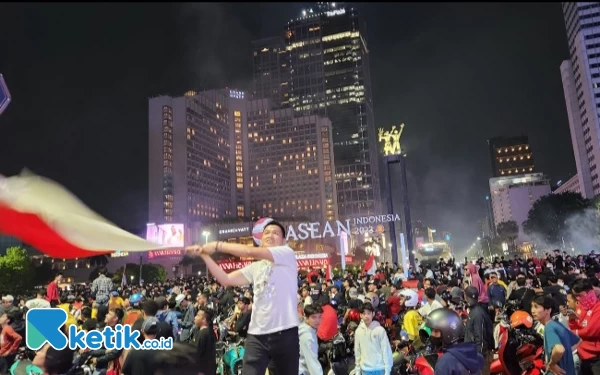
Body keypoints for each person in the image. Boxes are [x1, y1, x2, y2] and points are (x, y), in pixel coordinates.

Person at [186, 219, 299, 375]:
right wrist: (204, 255)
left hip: (285, 333)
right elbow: (226, 279)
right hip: (256, 336)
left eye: (275, 233)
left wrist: (217, 245)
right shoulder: (256, 267)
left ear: (283, 240)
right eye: (266, 232)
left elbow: (249, 252)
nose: (270, 235)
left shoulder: (287, 254)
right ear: (261, 239)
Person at [425, 308, 484, 375]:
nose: (432, 334)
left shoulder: (445, 363)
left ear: (448, 332)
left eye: (435, 331)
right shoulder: (475, 355)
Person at [531, 295, 581, 375]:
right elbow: (578, 341)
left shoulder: (549, 328)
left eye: (536, 307)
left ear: (548, 310)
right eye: (532, 307)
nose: (533, 311)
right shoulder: (557, 324)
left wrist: (552, 364)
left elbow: (559, 349)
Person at [354, 302, 393, 375]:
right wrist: (357, 371)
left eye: (369, 313)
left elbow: (386, 351)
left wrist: (387, 371)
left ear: (373, 314)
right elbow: (357, 352)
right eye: (364, 314)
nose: (366, 316)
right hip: (365, 370)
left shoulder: (380, 330)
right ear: (361, 315)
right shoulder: (358, 331)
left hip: (380, 369)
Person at [464, 286, 495, 375]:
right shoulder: (475, 311)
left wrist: (478, 358)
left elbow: (480, 338)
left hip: (480, 357)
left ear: (466, 297)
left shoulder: (477, 314)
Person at [299, 304, 323, 375]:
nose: (317, 320)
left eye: (319, 317)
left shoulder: (306, 327)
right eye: (314, 317)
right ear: (306, 318)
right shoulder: (308, 337)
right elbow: (312, 363)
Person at [193, 306, 216, 375]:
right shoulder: (208, 331)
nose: (195, 317)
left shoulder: (203, 333)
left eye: (197, 315)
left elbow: (197, 354)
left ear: (204, 319)